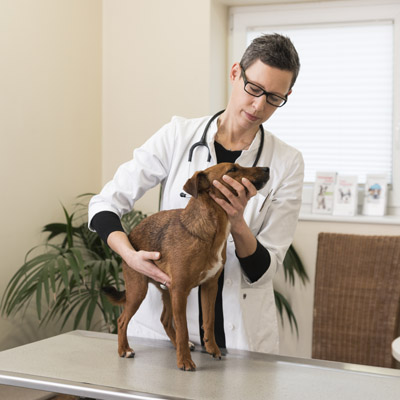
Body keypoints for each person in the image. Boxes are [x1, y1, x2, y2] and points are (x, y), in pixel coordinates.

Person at [88, 33, 304, 354]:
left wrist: (237, 221)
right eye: (254, 88)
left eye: (274, 97)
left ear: (287, 94)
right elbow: (105, 204)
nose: (259, 105)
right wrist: (131, 257)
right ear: (235, 74)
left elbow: (263, 270)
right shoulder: (178, 135)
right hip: (163, 338)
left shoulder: (287, 162)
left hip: (241, 334)